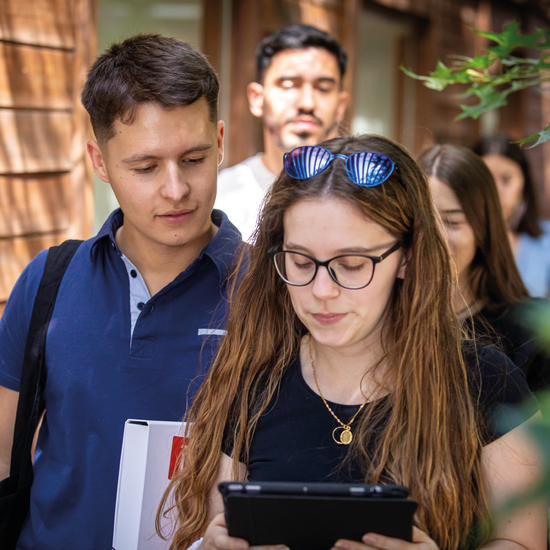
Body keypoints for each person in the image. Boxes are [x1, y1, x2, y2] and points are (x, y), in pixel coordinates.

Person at [160, 136, 546, 550]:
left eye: (351, 264)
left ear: (408, 257)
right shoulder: (250, 383)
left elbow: (524, 541)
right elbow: (205, 527)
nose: (322, 290)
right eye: (301, 261)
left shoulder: (486, 379)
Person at [0, 34, 243, 549]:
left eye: (195, 159)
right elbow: (2, 455)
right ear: (99, 160)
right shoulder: (50, 279)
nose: (175, 190)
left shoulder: (271, 290)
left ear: (221, 141)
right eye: (145, 167)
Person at [420, 144, 550, 396]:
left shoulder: (530, 333)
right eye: (423, 219)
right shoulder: (385, 321)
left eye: (452, 221)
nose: (435, 236)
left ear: (483, 228)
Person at [215, 24, 349, 241]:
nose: (307, 103)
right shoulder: (220, 199)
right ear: (257, 98)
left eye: (323, 88)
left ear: (341, 105)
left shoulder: (362, 197)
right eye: (288, 85)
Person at [474, 134, 550, 297]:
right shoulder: (459, 237)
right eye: (487, 180)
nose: (496, 190)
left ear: (524, 182)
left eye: (506, 180)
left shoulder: (546, 241)